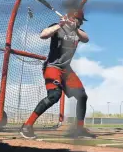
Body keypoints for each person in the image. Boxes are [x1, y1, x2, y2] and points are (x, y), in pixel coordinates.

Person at [20, 9, 95, 139]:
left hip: (66, 69)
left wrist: (75, 28)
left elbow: (86, 39)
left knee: (82, 96)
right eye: (80, 21)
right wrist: (61, 25)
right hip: (52, 66)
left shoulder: (78, 32)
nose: (81, 23)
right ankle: (27, 126)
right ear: (74, 18)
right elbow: (43, 35)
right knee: (54, 96)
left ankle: (79, 129)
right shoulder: (57, 27)